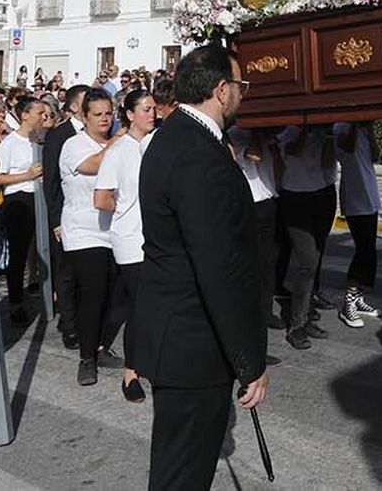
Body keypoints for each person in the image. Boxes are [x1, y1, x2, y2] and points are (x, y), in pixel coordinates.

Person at [132, 44, 268, 491]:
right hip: (194, 345)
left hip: (174, 335)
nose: (243, 96)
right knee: (183, 475)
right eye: (241, 86)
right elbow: (219, 269)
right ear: (221, 89)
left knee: (175, 467)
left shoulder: (173, 136)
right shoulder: (200, 155)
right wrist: (249, 360)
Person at [95, 88, 154, 401]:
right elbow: (101, 198)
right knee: (140, 307)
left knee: (154, 303)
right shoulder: (118, 150)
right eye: (145, 109)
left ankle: (154, 360)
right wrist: (128, 210)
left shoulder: (158, 143)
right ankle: (131, 372)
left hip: (159, 237)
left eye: (153, 107)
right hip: (130, 239)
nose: (151, 113)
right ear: (130, 114)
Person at [59, 90, 117, 386]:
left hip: (114, 229)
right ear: (84, 117)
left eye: (109, 113)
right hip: (84, 230)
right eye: (98, 114)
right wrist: (119, 144)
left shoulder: (114, 142)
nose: (105, 119)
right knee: (93, 293)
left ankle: (101, 345)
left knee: (117, 293)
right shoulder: (74, 145)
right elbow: (94, 165)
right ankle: (86, 358)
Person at [0, 98, 51, 325]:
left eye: (45, 114)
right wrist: (26, 175)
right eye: (39, 113)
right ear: (25, 115)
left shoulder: (41, 140)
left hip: (40, 195)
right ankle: (15, 301)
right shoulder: (11, 144)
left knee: (43, 248)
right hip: (19, 197)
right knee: (19, 252)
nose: (43, 117)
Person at [276, 126, 337, 350]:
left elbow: (328, 163)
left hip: (322, 194)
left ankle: (308, 313)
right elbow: (292, 152)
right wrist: (305, 127)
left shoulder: (323, 132)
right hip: (295, 197)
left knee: (317, 257)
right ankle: (296, 324)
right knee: (307, 263)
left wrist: (328, 136)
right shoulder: (289, 130)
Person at [43, 84, 91, 350]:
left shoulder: (95, 133)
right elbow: (51, 182)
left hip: (90, 213)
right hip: (65, 215)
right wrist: (56, 221)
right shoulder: (58, 136)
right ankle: (69, 325)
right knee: (66, 273)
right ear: (73, 106)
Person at [228, 126, 282, 331]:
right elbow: (255, 155)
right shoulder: (235, 135)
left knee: (268, 261)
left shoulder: (265, 135)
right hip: (250, 203)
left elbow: (279, 167)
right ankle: (248, 312)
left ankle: (265, 310)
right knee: (251, 262)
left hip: (268, 199)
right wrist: (257, 131)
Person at [333, 122, 382, 328]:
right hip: (354, 196)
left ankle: (358, 296)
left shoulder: (363, 128)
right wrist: (355, 122)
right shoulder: (340, 128)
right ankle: (349, 301)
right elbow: (347, 150)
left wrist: (369, 129)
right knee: (362, 250)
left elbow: (375, 155)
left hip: (370, 195)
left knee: (370, 249)